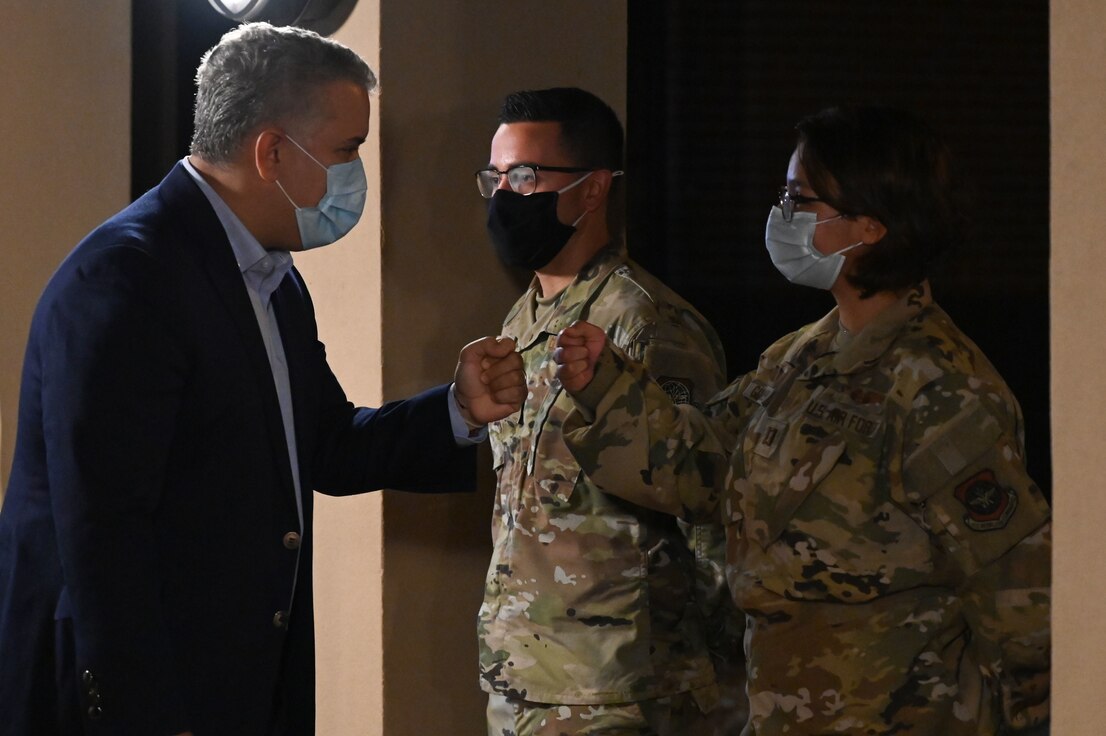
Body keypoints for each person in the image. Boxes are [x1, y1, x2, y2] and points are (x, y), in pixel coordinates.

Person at [0, 22, 524, 736]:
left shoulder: (273, 281)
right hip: (149, 701)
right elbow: (102, 534)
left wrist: (459, 409)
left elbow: (329, 447)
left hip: (241, 685)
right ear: (272, 151)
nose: (357, 177)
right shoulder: (125, 278)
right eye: (347, 151)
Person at [553, 105, 1051, 735]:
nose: (780, 213)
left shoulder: (939, 389)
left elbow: (1019, 596)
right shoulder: (800, 357)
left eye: (798, 197)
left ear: (868, 227)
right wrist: (606, 385)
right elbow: (701, 464)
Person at [474, 87, 745, 736]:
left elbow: (708, 501)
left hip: (621, 688)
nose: (507, 194)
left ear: (593, 190)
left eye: (528, 176)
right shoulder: (522, 320)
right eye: (497, 176)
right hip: (522, 675)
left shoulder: (646, 322)